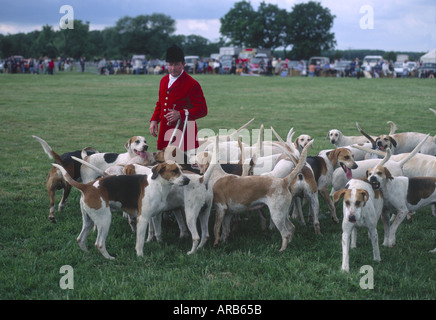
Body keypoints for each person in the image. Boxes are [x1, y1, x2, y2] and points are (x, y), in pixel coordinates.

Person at [149, 45, 208, 152]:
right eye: (170, 65)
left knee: (186, 167)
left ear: (183, 64)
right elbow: (161, 103)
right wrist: (154, 120)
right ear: (166, 64)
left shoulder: (192, 84)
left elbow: (202, 110)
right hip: (165, 131)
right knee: (165, 165)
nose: (173, 68)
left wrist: (180, 114)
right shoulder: (163, 80)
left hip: (185, 133)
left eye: (177, 64)